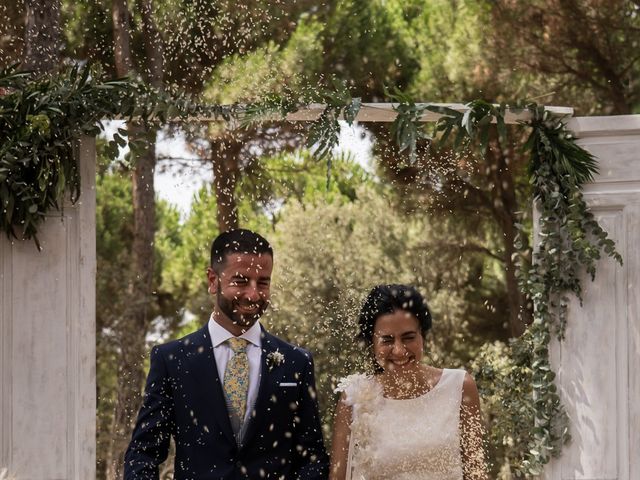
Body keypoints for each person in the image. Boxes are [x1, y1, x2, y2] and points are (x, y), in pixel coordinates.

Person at [124, 229, 329, 479]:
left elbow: (313, 457)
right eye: (241, 281)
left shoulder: (297, 362)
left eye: (263, 282)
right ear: (213, 280)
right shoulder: (172, 360)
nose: (253, 294)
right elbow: (143, 454)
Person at [329, 284, 487, 480]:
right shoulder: (355, 395)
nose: (399, 350)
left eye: (408, 337)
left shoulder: (460, 386)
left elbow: (476, 472)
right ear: (372, 343)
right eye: (387, 340)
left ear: (423, 336)